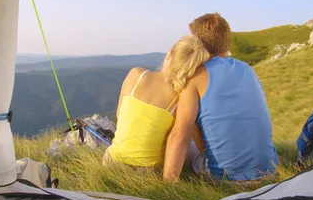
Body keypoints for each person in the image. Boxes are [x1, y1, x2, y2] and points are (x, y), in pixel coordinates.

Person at [163, 13, 278, 182]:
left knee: (183, 125)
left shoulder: (196, 77)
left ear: (197, 42)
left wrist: (166, 188)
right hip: (269, 171)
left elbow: (180, 135)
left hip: (225, 179)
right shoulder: (247, 69)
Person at [104, 35, 210, 168]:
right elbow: (193, 142)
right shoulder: (181, 97)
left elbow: (120, 115)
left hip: (112, 162)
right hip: (148, 172)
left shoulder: (135, 74)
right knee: (189, 144)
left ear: (170, 54)